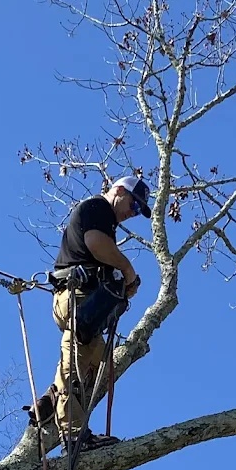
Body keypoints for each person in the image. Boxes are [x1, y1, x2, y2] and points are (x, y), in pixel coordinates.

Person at [28, 176, 151, 453]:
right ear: (119, 191)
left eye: (136, 211)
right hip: (76, 298)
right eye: (133, 205)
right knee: (78, 359)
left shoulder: (106, 219)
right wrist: (127, 270)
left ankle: (49, 402)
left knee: (98, 365)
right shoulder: (98, 208)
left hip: (85, 302)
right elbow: (96, 244)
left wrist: (120, 285)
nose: (132, 214)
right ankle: (73, 435)